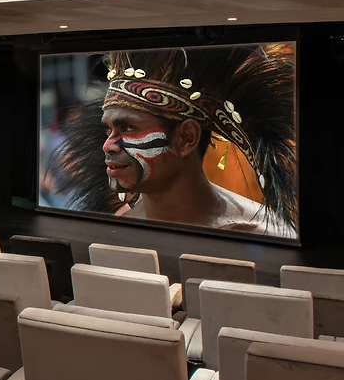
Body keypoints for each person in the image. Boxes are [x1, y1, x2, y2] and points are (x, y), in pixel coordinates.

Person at [54, 45, 297, 238]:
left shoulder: (259, 235)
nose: (107, 145)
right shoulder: (120, 230)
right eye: (108, 129)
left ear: (186, 138)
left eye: (127, 128)